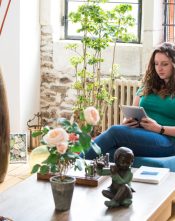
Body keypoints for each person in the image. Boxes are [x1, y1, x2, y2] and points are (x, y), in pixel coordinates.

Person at [82, 42, 175, 162]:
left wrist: (159, 128)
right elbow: (134, 111)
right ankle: (90, 177)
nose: (159, 68)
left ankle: (74, 164)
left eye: (165, 64)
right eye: (156, 64)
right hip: (141, 133)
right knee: (109, 150)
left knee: (114, 132)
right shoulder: (148, 85)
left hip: (167, 140)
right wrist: (127, 122)